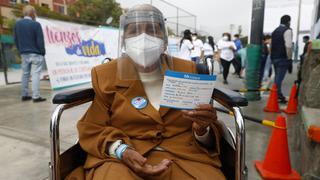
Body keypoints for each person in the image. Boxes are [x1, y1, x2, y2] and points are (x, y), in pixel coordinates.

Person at [66, 4, 226, 180]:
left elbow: (206, 134)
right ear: (124, 41)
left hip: (185, 155)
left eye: (152, 29)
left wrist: (202, 130)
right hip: (124, 155)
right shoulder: (106, 75)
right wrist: (121, 150)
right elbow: (92, 127)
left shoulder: (188, 70)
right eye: (133, 31)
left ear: (165, 40)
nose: (143, 37)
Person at [14, 5, 46, 102]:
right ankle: (36, 96)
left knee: (25, 74)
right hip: (36, 53)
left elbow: (15, 39)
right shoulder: (36, 24)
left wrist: (21, 50)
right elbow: (40, 40)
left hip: (24, 53)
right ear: (32, 13)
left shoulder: (17, 24)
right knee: (36, 74)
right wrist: (42, 52)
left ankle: (24, 95)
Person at [271, 15, 293, 103]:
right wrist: (290, 59)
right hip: (283, 58)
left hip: (274, 57)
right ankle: (278, 95)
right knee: (279, 79)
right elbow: (288, 46)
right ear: (288, 21)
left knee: (277, 77)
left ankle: (276, 94)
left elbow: (272, 45)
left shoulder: (275, 31)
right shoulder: (287, 30)